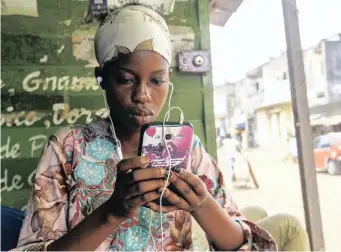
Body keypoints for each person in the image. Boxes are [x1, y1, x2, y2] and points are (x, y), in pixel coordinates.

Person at [13, 5, 276, 251]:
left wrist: (202, 204)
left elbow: (244, 245)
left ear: (168, 80)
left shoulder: (188, 151)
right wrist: (111, 213)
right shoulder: (68, 148)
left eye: (156, 80)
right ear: (101, 78)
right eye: (127, 80)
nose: (143, 95)